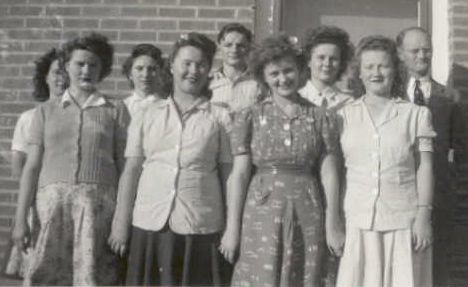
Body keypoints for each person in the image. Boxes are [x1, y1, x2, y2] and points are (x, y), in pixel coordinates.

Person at [108, 32, 233, 286]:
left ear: (209, 70)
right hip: (149, 223)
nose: (193, 70)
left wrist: (231, 228)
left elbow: (229, 176)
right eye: (186, 63)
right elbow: (131, 170)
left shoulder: (220, 117)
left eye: (201, 65)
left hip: (199, 225)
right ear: (172, 66)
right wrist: (121, 222)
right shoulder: (147, 113)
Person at [220, 34, 344, 287]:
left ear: (300, 71)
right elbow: (240, 175)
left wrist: (333, 221)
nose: (283, 79)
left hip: (308, 206)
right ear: (263, 77)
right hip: (262, 209)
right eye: (274, 73)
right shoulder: (250, 117)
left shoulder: (321, 117)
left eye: (289, 71)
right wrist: (232, 229)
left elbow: (329, 172)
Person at [11, 33, 129, 286]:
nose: (86, 70)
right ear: (66, 66)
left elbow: (124, 166)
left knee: (91, 276)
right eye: (80, 64)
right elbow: (31, 168)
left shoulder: (115, 110)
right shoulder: (45, 111)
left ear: (103, 70)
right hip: (50, 209)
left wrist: (121, 217)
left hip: (97, 210)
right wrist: (20, 219)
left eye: (94, 65)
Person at [336, 36, 435, 287]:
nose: (376, 73)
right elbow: (335, 172)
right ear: (359, 72)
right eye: (369, 67)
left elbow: (425, 167)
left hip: (403, 222)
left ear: (395, 70)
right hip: (358, 222)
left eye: (383, 66)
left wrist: (423, 217)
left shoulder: (415, 114)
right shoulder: (344, 116)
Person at [396, 26, 465, 286]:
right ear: (401, 54)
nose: (422, 56)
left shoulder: (449, 97)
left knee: (436, 269)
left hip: (437, 197)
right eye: (415, 50)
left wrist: (448, 182)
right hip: (396, 193)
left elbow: (461, 150)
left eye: (427, 50)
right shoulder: (390, 95)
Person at [3, 48, 66, 279]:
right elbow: (20, 164)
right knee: (36, 268)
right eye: (57, 72)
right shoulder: (29, 117)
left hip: (67, 204)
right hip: (37, 204)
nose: (62, 78)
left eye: (67, 72)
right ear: (46, 77)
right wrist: (33, 198)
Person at [299, 26, 355, 110]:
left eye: (333, 59)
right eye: (321, 57)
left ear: (341, 63)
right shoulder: (296, 99)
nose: (327, 63)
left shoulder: (349, 103)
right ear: (308, 61)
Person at [209, 22, 260, 114]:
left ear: (248, 47)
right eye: (228, 45)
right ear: (220, 46)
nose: (234, 50)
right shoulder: (209, 83)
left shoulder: (258, 83)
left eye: (240, 46)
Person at [122, 43, 167, 118]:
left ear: (159, 73)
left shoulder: (167, 107)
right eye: (140, 68)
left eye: (152, 69)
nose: (146, 74)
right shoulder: (123, 107)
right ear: (130, 74)